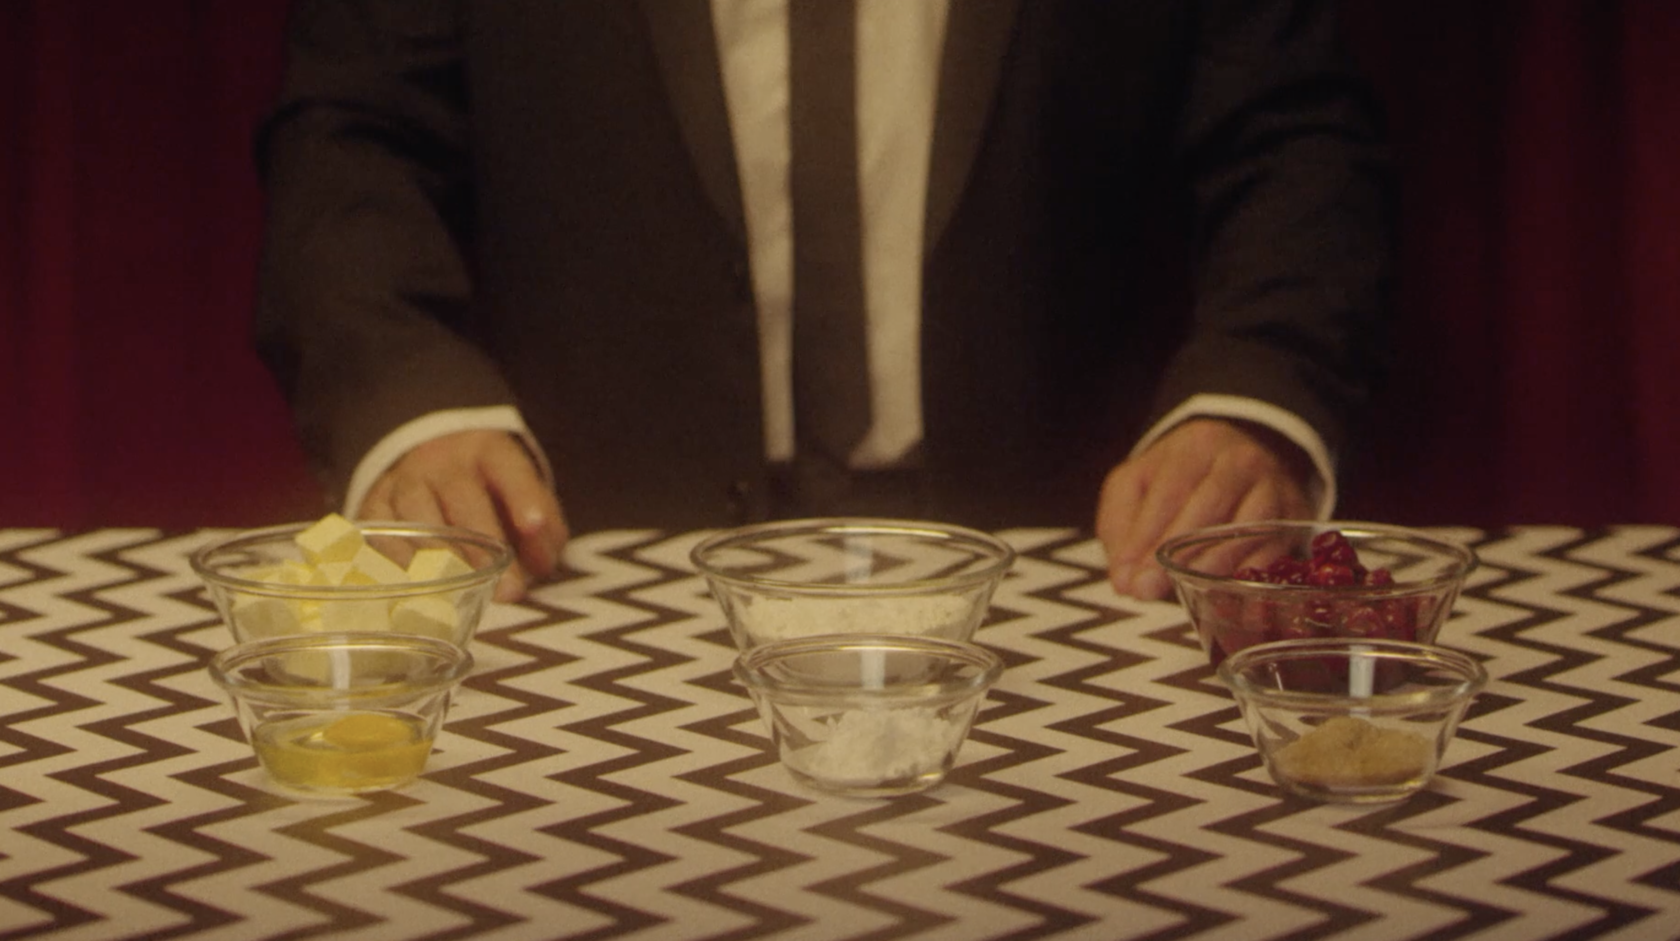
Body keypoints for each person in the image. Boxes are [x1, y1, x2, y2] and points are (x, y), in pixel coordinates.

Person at [254, 0, 1392, 603]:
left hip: (1075, 572)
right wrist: (412, 401)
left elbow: (1290, 132)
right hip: (584, 571)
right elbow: (353, 134)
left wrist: (1256, 394)